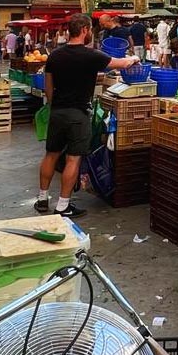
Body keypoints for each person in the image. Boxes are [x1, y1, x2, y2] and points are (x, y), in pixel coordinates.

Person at [36, 14, 140, 218]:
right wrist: (134, 57)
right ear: (84, 30)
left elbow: (48, 87)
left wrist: (54, 105)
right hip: (78, 113)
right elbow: (121, 63)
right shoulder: (92, 55)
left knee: (51, 154)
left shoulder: (55, 55)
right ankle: (63, 205)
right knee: (73, 159)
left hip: (57, 111)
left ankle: (42, 198)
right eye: (89, 29)